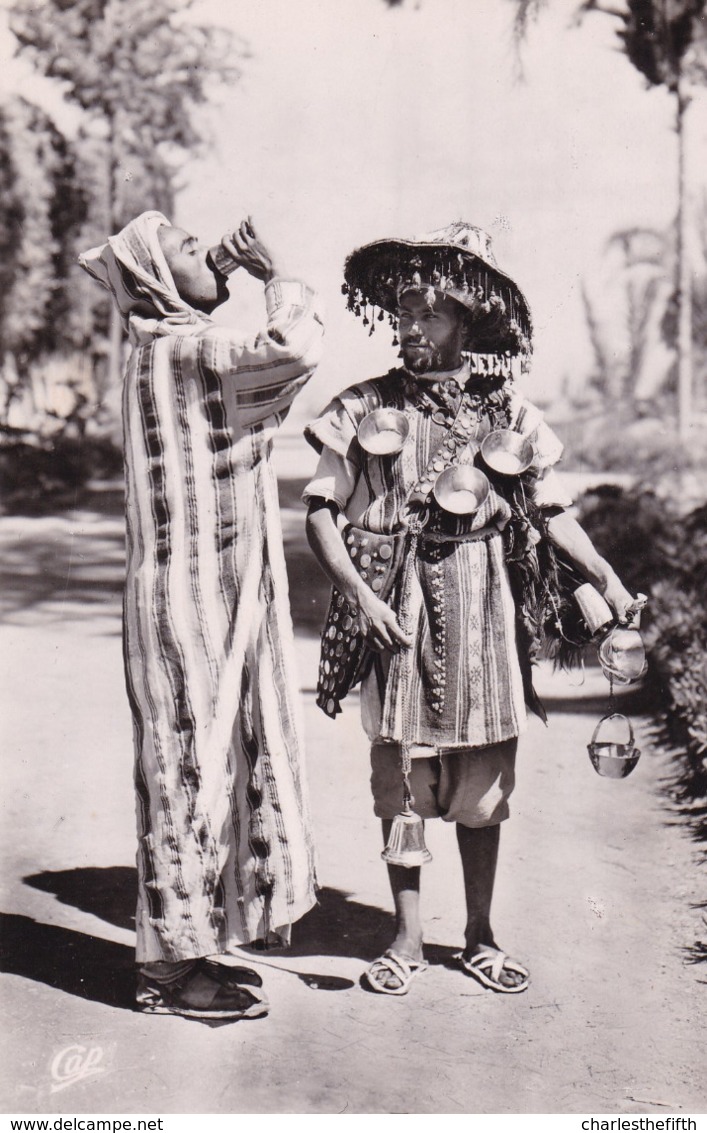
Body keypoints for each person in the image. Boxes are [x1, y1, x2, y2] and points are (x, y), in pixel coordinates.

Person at [303, 222, 642, 996]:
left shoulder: (508, 416)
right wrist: (360, 595)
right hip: (397, 615)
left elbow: (552, 512)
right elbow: (320, 510)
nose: (410, 324)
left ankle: (481, 935)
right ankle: (404, 939)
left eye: (428, 311)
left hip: (486, 610)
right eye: (402, 309)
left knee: (483, 781)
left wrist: (610, 581)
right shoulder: (362, 407)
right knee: (401, 778)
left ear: (467, 323)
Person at [79, 212, 323, 1020]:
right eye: (188, 250)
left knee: (201, 764)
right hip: (188, 606)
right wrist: (275, 268)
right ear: (154, 282)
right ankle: (168, 975)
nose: (209, 249)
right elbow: (292, 351)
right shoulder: (184, 348)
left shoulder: (162, 349)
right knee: (189, 771)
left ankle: (190, 948)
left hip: (191, 596)